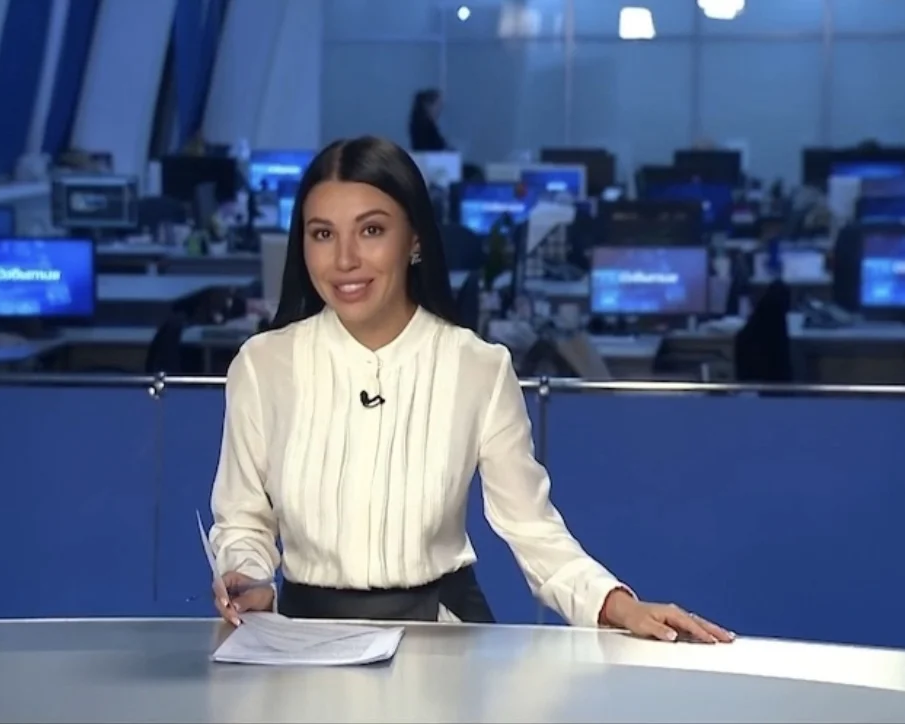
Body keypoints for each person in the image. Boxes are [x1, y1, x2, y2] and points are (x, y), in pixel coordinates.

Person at [208, 135, 734, 643]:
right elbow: (243, 519)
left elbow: (533, 530)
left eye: (371, 231)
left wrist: (617, 604)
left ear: (414, 239)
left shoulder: (477, 367)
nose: (345, 259)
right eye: (323, 234)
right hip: (305, 639)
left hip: (441, 638)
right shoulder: (263, 365)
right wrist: (247, 576)